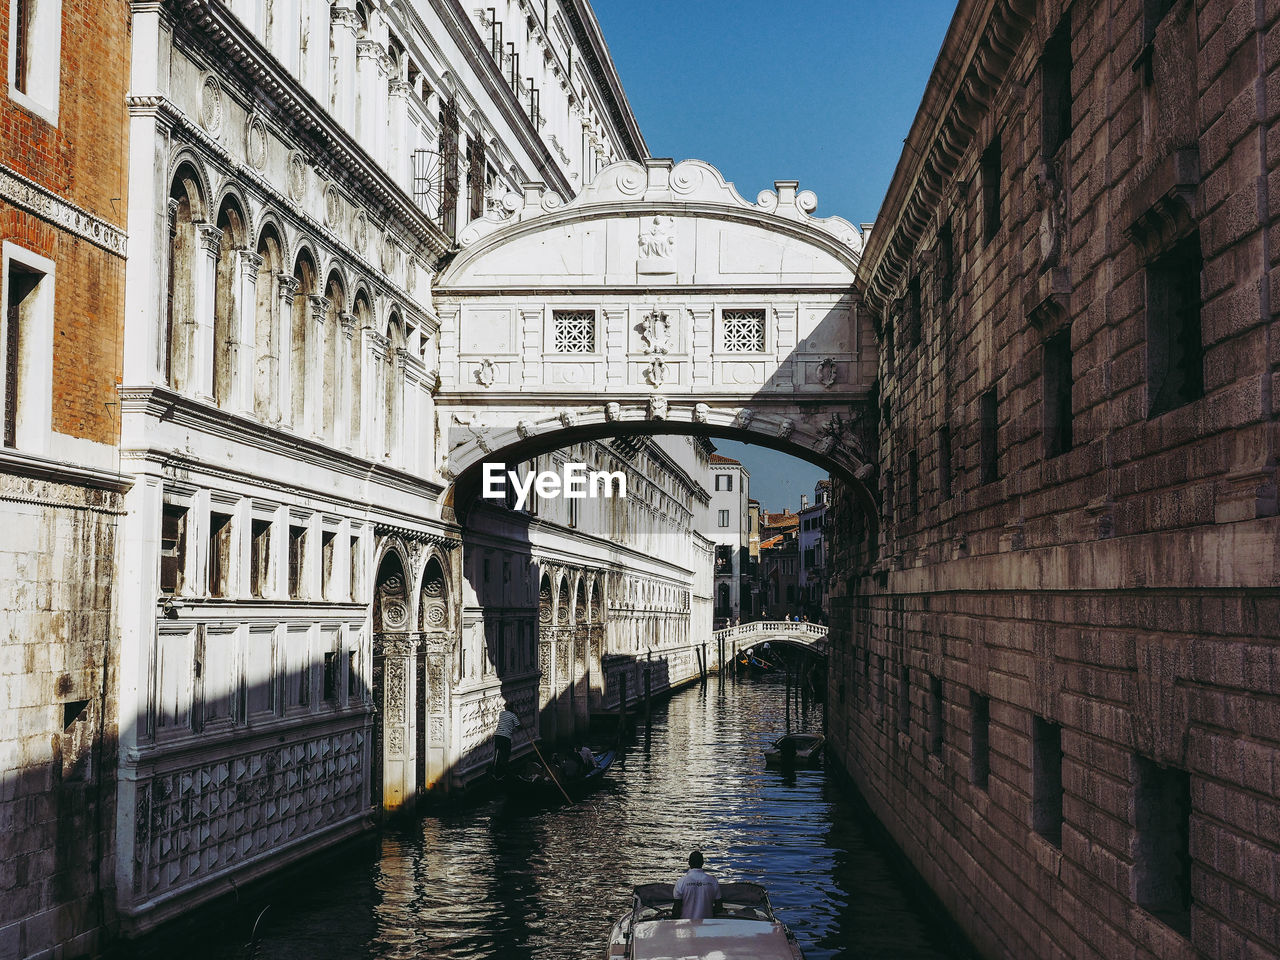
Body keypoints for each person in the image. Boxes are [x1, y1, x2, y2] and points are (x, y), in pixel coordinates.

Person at [673, 850, 720, 921]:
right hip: (707, 925)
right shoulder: (713, 881)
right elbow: (718, 907)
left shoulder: (681, 882)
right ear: (702, 863)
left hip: (686, 925)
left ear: (689, 863)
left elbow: (676, 910)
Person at [492, 702, 520, 778]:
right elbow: (518, 726)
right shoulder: (513, 716)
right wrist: (517, 715)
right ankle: (504, 771)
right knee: (505, 754)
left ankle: (496, 770)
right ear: (512, 708)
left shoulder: (501, 713)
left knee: (497, 752)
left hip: (498, 736)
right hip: (505, 737)